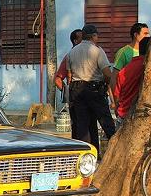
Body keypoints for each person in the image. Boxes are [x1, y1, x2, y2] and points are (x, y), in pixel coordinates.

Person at [67, 24, 116, 153]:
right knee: (106, 122)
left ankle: (87, 155)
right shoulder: (97, 50)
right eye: (97, 35)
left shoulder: (72, 51)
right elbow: (107, 73)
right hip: (94, 89)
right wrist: (107, 84)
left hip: (77, 90)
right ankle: (116, 152)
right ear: (93, 36)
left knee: (83, 126)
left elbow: (69, 74)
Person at [55, 29, 98, 141]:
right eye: (81, 38)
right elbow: (58, 79)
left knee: (92, 125)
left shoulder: (92, 54)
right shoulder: (70, 56)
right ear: (75, 41)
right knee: (79, 127)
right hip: (76, 97)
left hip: (92, 95)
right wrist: (68, 94)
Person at [113, 36, 150, 128]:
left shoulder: (124, 71)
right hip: (140, 119)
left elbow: (117, 96)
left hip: (122, 117)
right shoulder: (146, 68)